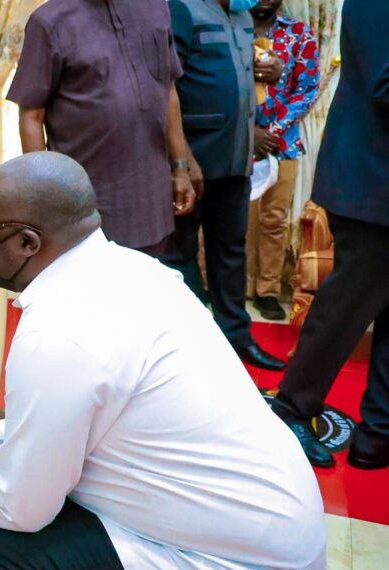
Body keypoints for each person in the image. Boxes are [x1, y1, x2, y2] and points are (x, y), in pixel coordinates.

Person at [0, 152, 326, 570]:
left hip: (232, 557)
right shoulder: (139, 270)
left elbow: (19, 509)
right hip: (277, 528)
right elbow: (88, 414)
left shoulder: (56, 334)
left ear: (25, 242)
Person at [270, 0, 389, 470]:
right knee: (345, 309)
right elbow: (385, 87)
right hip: (372, 186)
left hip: (376, 187)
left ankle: (378, 433)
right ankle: (291, 410)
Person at [7, 0, 197, 257]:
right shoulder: (50, 21)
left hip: (152, 197)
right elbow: (31, 115)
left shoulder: (155, 7)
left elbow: (168, 89)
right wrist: (44, 199)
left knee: (150, 288)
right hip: (86, 202)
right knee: (95, 291)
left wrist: (180, 167)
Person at [165, 0, 287, 371]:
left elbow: (235, 78)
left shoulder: (241, 14)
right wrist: (182, 162)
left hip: (237, 156)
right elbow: (167, 86)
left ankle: (237, 337)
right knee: (180, 252)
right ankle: (191, 339)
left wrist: (271, 72)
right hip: (195, 157)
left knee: (230, 249)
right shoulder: (183, 9)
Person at [248, 0, 320, 321]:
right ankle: (232, 287)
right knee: (233, 219)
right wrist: (249, 133)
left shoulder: (300, 34)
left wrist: (271, 131)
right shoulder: (232, 29)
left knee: (274, 220)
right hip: (234, 141)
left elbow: (306, 90)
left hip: (284, 144)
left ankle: (267, 292)